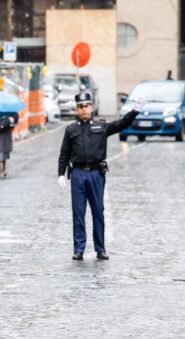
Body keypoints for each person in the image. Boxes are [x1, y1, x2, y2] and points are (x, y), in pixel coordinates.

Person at [57, 93, 144, 261]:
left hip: (96, 173)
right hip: (78, 174)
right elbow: (64, 154)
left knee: (98, 212)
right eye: (81, 106)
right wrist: (61, 173)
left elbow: (121, 124)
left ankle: (100, 248)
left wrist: (134, 111)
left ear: (91, 107)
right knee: (78, 213)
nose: (84, 109)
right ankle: (79, 249)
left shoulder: (101, 126)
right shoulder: (71, 130)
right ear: (77, 109)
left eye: (86, 105)